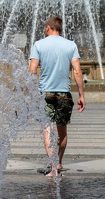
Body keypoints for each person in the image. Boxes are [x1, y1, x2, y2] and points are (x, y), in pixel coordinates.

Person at [28, 16, 86, 177]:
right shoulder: (70, 45)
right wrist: (81, 95)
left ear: (48, 27)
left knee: (47, 130)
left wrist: (30, 92)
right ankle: (58, 163)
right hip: (64, 94)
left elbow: (32, 71)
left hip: (45, 93)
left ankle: (53, 166)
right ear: (59, 28)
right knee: (62, 131)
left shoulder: (39, 44)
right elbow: (77, 72)